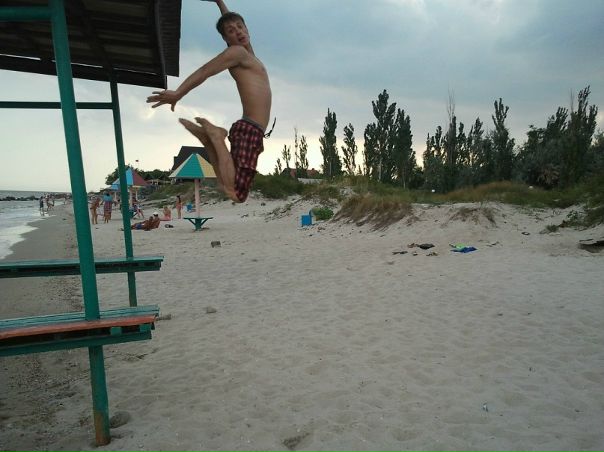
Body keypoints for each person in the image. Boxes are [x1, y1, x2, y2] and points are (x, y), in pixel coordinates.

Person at [147, 0, 272, 203]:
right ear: (226, 39)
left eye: (240, 27)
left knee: (225, 185)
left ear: (247, 28)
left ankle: (207, 139)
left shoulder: (249, 56)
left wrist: (219, 2)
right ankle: (216, 135)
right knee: (236, 193)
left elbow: (229, 21)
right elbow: (206, 70)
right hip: (250, 129)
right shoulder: (237, 53)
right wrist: (178, 93)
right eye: (231, 31)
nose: (238, 31)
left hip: (250, 129)